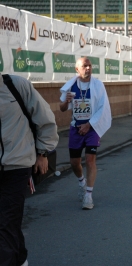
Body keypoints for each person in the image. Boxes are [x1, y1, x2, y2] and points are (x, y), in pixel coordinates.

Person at [1, 74, 58, 266]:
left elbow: (45, 118)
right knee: (9, 223)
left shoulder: (15, 85)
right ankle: (21, 259)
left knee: (5, 222)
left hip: (17, 165)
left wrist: (42, 153)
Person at [60, 57, 112, 210]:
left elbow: (102, 108)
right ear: (77, 69)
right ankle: (82, 182)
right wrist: (66, 101)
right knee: (74, 163)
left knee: (90, 160)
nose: (88, 68)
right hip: (76, 128)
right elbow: (62, 108)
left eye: (89, 65)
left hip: (92, 127)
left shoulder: (98, 85)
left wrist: (89, 125)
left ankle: (88, 195)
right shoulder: (71, 86)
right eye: (84, 66)